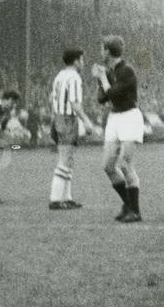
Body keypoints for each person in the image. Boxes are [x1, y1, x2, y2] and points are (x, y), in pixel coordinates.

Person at [92, 36, 144, 222]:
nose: (100, 52)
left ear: (107, 51)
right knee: (108, 166)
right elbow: (102, 98)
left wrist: (103, 78)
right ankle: (128, 205)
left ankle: (135, 211)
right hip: (115, 118)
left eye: (101, 48)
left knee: (125, 164)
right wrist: (100, 81)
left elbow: (113, 93)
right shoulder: (108, 71)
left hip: (130, 116)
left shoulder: (126, 70)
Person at [49, 48, 96, 210]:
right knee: (64, 159)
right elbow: (75, 104)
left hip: (58, 118)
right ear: (76, 61)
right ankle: (55, 199)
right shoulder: (74, 77)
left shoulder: (59, 76)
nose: (83, 63)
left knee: (68, 159)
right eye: (82, 60)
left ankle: (66, 197)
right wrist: (87, 121)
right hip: (68, 120)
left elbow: (53, 100)